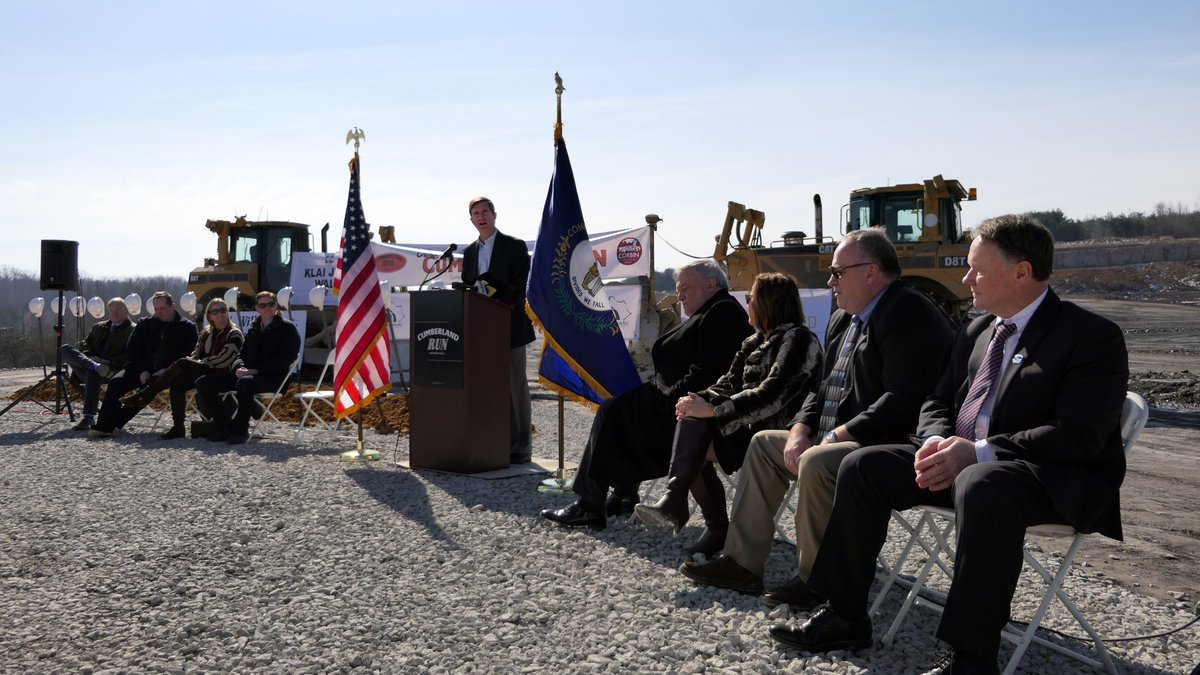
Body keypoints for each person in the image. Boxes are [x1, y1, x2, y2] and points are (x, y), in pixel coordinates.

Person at [767, 215, 1129, 675]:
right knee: (864, 465)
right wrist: (937, 438)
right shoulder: (979, 331)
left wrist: (975, 452)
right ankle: (845, 614)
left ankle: (971, 659)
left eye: (977, 268)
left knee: (983, 481)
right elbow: (938, 398)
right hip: (964, 464)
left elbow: (1078, 435)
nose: (965, 278)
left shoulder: (1089, 336)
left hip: (1047, 476)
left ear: (1022, 272)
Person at [679, 228, 953, 602]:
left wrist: (836, 436)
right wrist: (800, 429)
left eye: (838, 272)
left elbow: (904, 399)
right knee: (763, 445)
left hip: (882, 441)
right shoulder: (844, 318)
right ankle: (741, 563)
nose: (830, 280)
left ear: (871, 271)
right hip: (832, 437)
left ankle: (817, 579)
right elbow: (819, 388)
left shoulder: (909, 312)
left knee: (819, 461)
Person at [541, 259, 752, 533]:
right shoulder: (712, 310)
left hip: (687, 407)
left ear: (710, 284)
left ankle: (590, 504)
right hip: (674, 398)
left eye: (686, 287)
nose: (680, 295)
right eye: (679, 289)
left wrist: (670, 399)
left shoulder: (722, 311)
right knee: (619, 410)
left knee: (612, 412)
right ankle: (622, 495)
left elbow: (709, 369)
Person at [634, 273, 823, 557]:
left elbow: (773, 396)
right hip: (745, 430)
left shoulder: (798, 339)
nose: (746, 303)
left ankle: (687, 508)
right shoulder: (755, 341)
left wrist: (714, 409)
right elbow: (727, 383)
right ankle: (703, 519)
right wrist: (696, 400)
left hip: (780, 436)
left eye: (751, 298)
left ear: (768, 303)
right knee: (691, 420)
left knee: (697, 423)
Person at [462, 196, 536, 464]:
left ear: (494, 215)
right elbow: (468, 286)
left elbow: (520, 285)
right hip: (481, 332)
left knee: (515, 388)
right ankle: (496, 442)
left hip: (510, 326)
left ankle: (521, 448)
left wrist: (497, 305)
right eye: (476, 213)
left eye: (485, 212)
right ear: (471, 219)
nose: (481, 217)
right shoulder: (469, 253)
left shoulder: (514, 247)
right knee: (489, 388)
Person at [120, 298, 244, 440]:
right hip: (204, 371)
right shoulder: (206, 333)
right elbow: (195, 353)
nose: (219, 314)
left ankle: (147, 394)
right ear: (209, 315)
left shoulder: (234, 333)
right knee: (177, 381)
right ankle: (178, 427)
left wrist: (199, 362)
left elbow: (225, 359)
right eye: (215, 311)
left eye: (223, 310)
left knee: (184, 363)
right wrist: (196, 361)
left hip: (223, 374)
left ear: (227, 313)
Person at [196, 291, 301, 445]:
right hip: (248, 375)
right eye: (262, 305)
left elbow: (286, 359)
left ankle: (241, 431)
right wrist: (238, 368)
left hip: (273, 378)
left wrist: (255, 371)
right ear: (257, 308)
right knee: (203, 382)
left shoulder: (287, 328)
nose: (267, 308)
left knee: (244, 383)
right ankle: (225, 426)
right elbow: (241, 354)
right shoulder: (254, 327)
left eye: (270, 304)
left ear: (276, 306)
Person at [89, 291, 198, 437]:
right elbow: (132, 349)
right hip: (141, 368)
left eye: (162, 308)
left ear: (172, 306)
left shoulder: (187, 327)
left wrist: (168, 370)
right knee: (116, 383)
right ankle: (104, 425)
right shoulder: (145, 324)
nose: (159, 312)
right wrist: (142, 370)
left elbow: (187, 355)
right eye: (156, 309)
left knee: (148, 389)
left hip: (170, 372)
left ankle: (111, 425)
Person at [60, 298, 136, 431]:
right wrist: (89, 356)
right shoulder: (98, 327)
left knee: (92, 372)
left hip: (111, 370)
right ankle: (92, 364)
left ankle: (88, 417)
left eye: (118, 310)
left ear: (126, 310)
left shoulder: (133, 330)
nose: (114, 313)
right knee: (65, 349)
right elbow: (85, 343)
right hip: (90, 365)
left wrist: (108, 361)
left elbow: (131, 355)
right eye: (111, 311)